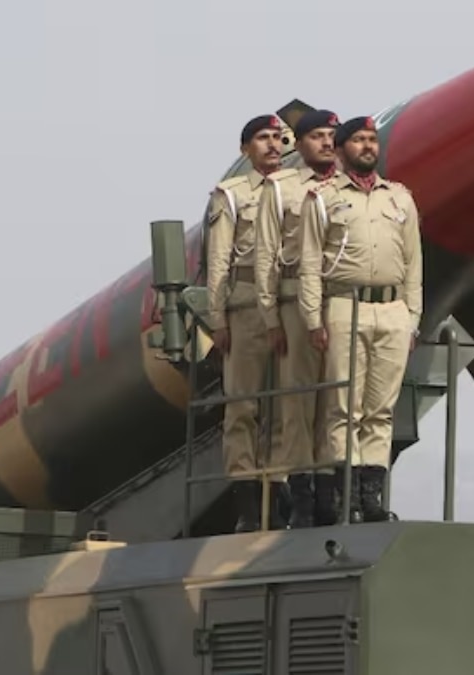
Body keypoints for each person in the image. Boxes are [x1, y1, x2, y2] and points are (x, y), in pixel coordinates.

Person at [297, 115, 422, 523]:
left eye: (372, 139)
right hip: (343, 306)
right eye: (358, 140)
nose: (368, 146)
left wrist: (412, 317)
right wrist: (313, 319)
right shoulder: (323, 198)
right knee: (342, 407)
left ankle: (371, 499)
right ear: (341, 149)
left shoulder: (399, 199)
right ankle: (343, 497)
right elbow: (310, 263)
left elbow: (413, 264)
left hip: (391, 310)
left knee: (380, 410)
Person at [253, 110, 343, 528]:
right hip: (293, 304)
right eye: (317, 136)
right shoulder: (281, 188)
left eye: (331, 135)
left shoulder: (348, 189)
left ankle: (328, 495)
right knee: (298, 404)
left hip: (339, 304)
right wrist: (270, 317)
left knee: (335, 404)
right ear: (301, 143)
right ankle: (303, 496)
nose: (326, 142)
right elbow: (266, 254)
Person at [205, 113, 288, 533]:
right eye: (262, 138)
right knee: (243, 407)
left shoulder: (299, 191)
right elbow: (218, 261)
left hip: (289, 308)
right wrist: (217, 318)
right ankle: (248, 506)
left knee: (284, 408)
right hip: (246, 308)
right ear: (245, 149)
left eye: (278, 137)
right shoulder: (232, 195)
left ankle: (279, 499)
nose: (272, 144)